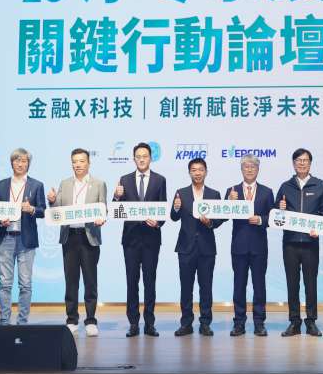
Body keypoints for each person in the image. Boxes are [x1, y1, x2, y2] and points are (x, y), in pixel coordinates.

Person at [47, 148, 107, 337]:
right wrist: (52, 201)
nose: (78, 164)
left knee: (90, 280)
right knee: (71, 280)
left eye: (81, 161)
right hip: (70, 236)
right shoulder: (65, 183)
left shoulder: (99, 184)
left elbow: (103, 208)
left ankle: (91, 320)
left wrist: (102, 218)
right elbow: (57, 209)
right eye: (75, 161)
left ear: (88, 163)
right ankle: (71, 319)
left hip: (89, 237)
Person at [113, 142, 167, 338]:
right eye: (138, 156)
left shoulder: (160, 180)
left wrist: (158, 222)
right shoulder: (124, 180)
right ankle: (133, 323)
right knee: (132, 282)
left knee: (150, 282)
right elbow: (117, 210)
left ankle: (150, 324)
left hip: (151, 239)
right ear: (134, 158)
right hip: (131, 239)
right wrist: (116, 197)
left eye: (145, 156)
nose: (142, 159)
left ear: (150, 158)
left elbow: (163, 209)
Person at [276, 148, 323, 337]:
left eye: (305, 160)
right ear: (293, 163)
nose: (302, 163)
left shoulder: (319, 185)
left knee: (310, 283)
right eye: (298, 160)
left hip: (310, 243)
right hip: (290, 243)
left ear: (310, 163)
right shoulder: (285, 186)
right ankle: (294, 322)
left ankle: (311, 321)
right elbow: (276, 216)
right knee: (292, 284)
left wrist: (319, 229)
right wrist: (279, 207)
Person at [170, 157, 225, 336]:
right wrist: (176, 208)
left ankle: (205, 323)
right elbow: (173, 217)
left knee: (206, 287)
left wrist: (210, 222)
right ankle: (186, 323)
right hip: (185, 248)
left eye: (200, 169)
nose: (197, 173)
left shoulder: (214, 194)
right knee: (186, 288)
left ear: (206, 172)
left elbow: (220, 219)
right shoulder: (181, 193)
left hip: (206, 248)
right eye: (194, 170)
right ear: (189, 173)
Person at [0, 148, 46, 326]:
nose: (20, 164)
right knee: (5, 283)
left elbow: (43, 210)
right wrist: (0, 221)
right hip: (6, 238)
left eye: (24, 161)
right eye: (17, 160)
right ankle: (4, 321)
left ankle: (22, 322)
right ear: (12, 163)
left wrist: (32, 209)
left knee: (25, 284)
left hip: (26, 239)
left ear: (28, 164)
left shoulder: (36, 185)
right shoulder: (1, 185)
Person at [225, 154, 275, 337]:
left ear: (258, 169)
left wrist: (261, 219)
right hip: (238, 246)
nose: (249, 169)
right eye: (246, 166)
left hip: (259, 246)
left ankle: (259, 323)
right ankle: (239, 323)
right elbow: (223, 215)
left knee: (259, 285)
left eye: (253, 166)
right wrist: (229, 202)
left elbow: (274, 217)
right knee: (239, 285)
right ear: (241, 169)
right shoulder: (232, 191)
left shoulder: (267, 192)